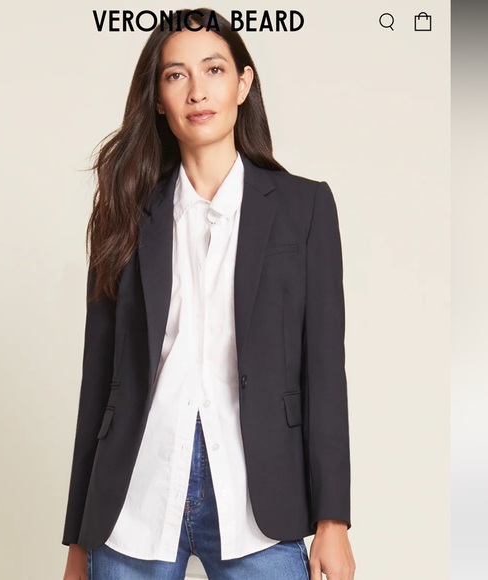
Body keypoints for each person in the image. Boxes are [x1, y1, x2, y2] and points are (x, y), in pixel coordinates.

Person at [62, 7, 355, 580]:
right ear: (157, 98)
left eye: (214, 69)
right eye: (176, 75)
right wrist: (78, 538)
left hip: (258, 499)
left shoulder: (305, 207)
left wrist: (333, 519)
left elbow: (324, 369)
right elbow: (98, 382)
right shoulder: (126, 213)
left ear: (243, 84)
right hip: (135, 496)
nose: (197, 91)